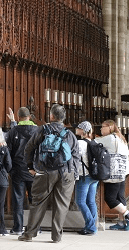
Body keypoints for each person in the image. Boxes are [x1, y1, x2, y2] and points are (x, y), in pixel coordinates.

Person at [18, 104, 80, 243]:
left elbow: (28, 148)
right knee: (62, 205)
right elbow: (76, 155)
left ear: (51, 116)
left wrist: (30, 167)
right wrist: (73, 173)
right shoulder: (70, 134)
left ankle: (29, 234)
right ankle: (57, 236)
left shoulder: (43, 130)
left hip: (44, 172)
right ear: (63, 118)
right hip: (66, 173)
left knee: (37, 203)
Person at [6, 107, 38, 235]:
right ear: (29, 117)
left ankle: (18, 228)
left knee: (18, 199)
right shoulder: (37, 130)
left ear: (18, 118)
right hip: (34, 170)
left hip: (18, 169)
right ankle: (36, 228)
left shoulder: (13, 131)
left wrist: (9, 168)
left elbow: (8, 151)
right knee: (34, 200)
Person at [95, 120, 129, 231]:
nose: (101, 129)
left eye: (102, 127)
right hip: (123, 172)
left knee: (110, 198)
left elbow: (93, 143)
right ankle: (122, 223)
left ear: (109, 127)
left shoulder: (110, 138)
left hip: (114, 173)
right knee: (120, 197)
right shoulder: (121, 138)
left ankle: (127, 215)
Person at [75, 121, 99, 235]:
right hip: (94, 175)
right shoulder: (94, 142)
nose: (76, 129)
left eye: (78, 127)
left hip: (83, 176)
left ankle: (91, 227)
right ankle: (93, 225)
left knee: (80, 201)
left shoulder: (79, 143)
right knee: (91, 201)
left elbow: (74, 158)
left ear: (83, 131)